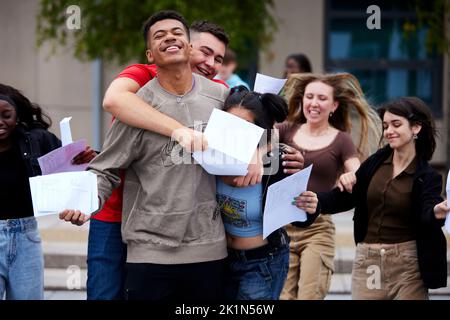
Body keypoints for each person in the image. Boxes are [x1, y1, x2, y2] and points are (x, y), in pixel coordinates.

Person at [60, 10, 232, 300]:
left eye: (177, 33)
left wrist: (264, 151)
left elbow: (257, 141)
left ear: (187, 45)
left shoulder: (221, 98)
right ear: (150, 55)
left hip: (209, 248)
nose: (170, 38)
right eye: (159, 36)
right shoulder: (136, 103)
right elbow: (105, 168)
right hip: (147, 248)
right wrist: (83, 201)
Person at [296, 97, 450, 299]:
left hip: (408, 264)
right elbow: (346, 197)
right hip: (368, 262)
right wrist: (318, 202)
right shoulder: (374, 163)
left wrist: (436, 212)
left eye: (396, 124)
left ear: (416, 128)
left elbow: (426, 210)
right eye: (386, 126)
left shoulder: (428, 176)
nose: (389, 131)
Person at [278, 73, 381, 300]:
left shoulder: (341, 139)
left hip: (318, 228)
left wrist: (351, 176)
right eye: (310, 97)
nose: (314, 103)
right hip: (282, 227)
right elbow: (255, 142)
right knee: (283, 297)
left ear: (334, 105)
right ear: (302, 100)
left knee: (310, 295)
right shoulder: (285, 131)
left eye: (322, 98)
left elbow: (357, 172)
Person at [217, 86, 318, 300]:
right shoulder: (212, 156)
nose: (235, 132)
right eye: (230, 124)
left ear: (259, 130)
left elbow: (301, 219)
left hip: (262, 262)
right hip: (222, 260)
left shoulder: (278, 161)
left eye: (244, 126)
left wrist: (310, 205)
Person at [0, 83, 95, 300]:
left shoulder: (35, 140)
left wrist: (87, 157)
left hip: (26, 237)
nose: (1, 122)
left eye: (6, 115)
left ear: (17, 115)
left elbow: (71, 164)